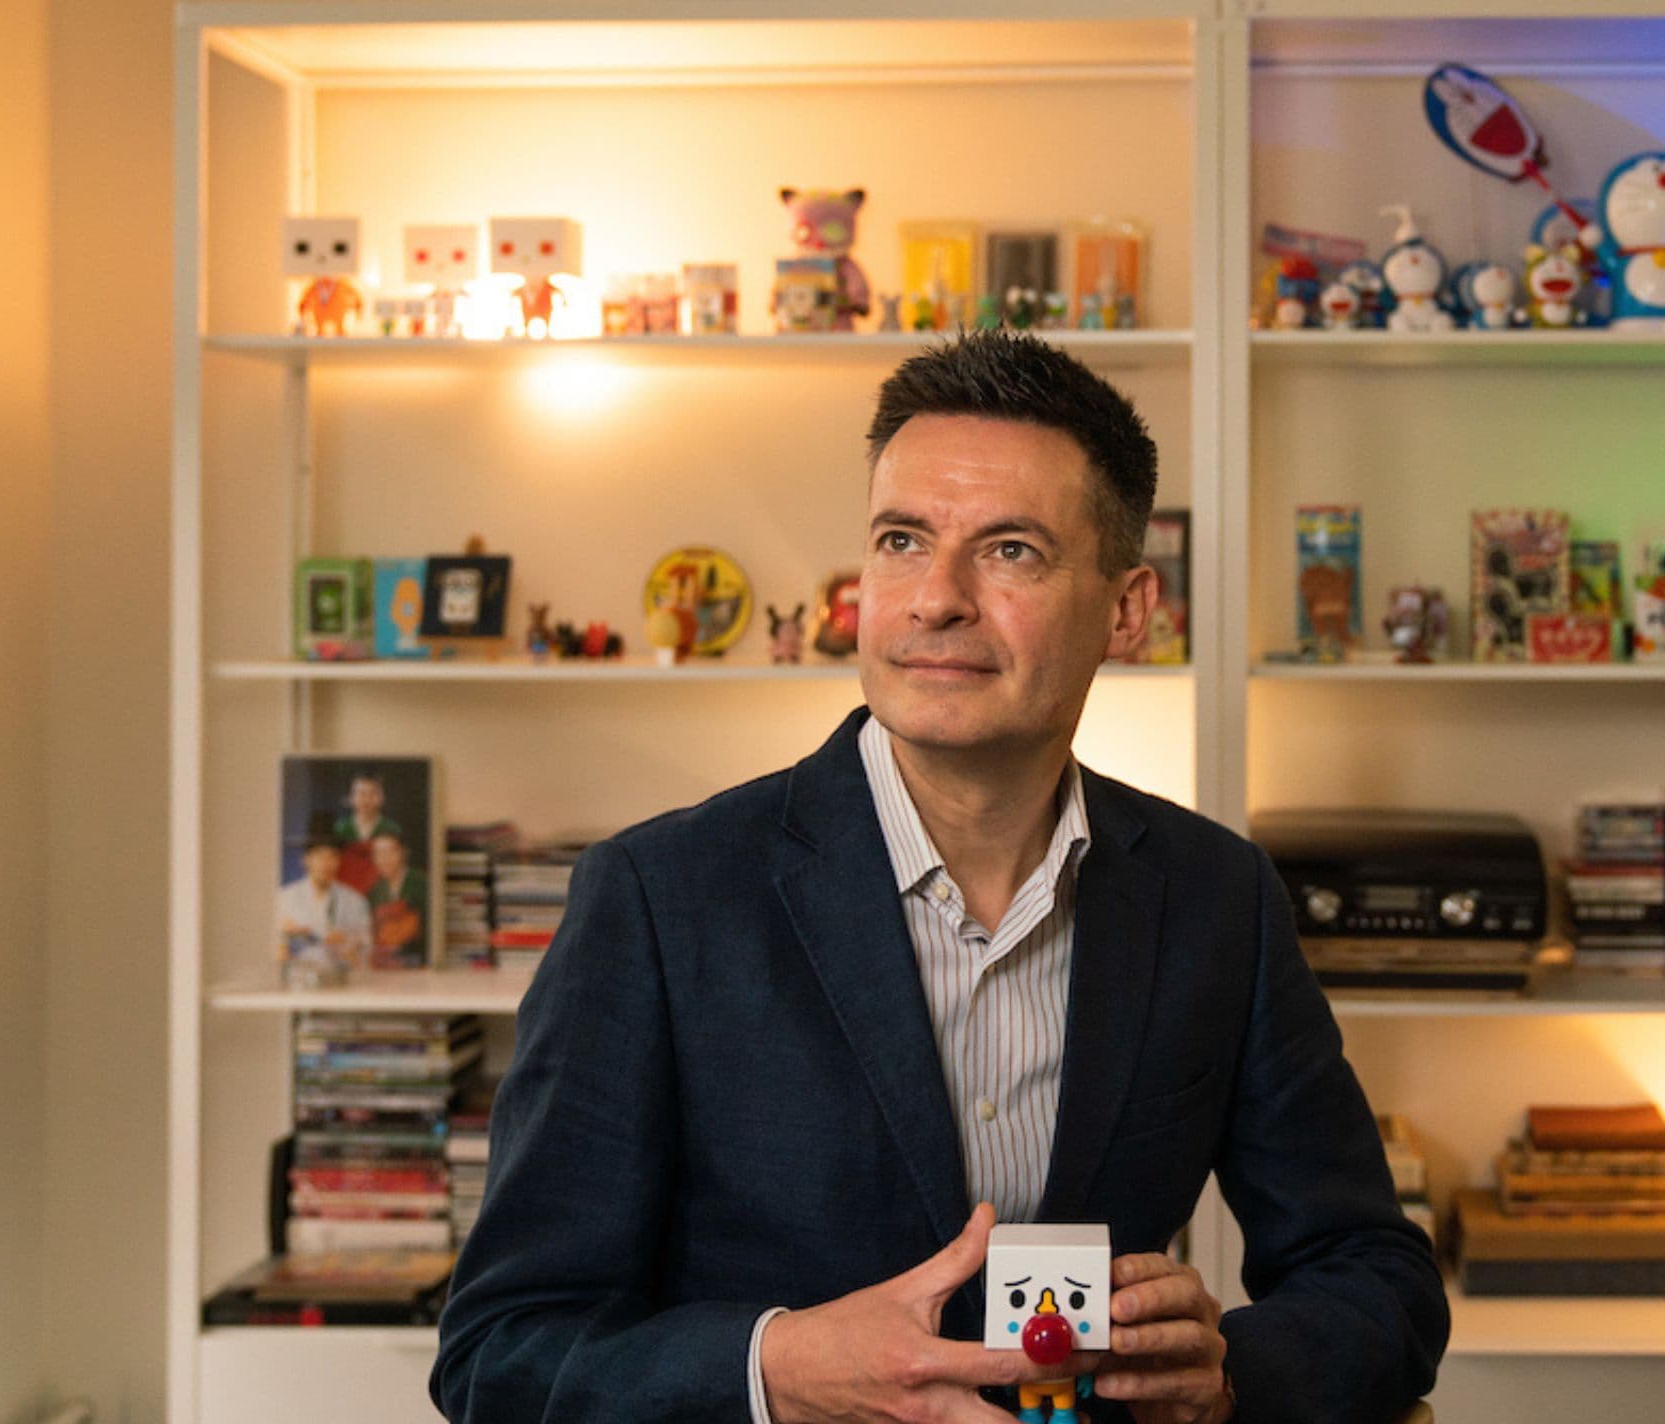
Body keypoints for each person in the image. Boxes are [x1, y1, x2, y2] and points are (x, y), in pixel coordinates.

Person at [434, 331, 1446, 1424]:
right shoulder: (656, 898)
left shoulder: (1216, 897)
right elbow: (502, 1348)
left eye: (1010, 550)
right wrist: (782, 1367)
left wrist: (1230, 1371)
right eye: (902, 540)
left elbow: (1374, 1277)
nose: (936, 598)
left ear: (1126, 608)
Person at [276, 822, 371, 972]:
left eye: (332, 857)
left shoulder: (354, 901)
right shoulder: (284, 898)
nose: (326, 864)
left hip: (340, 982)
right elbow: (274, 948)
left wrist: (348, 946)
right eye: (320, 856)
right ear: (306, 860)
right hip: (297, 982)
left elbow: (366, 951)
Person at [333, 768, 407, 895]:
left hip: (381, 893)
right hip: (346, 891)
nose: (366, 799)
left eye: (373, 793)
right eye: (361, 793)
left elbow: (398, 871)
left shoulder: (392, 829)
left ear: (382, 797)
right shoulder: (339, 829)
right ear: (351, 798)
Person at [365, 829, 430, 969]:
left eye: (390, 852)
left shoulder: (423, 884)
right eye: (378, 854)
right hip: (386, 966)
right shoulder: (375, 892)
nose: (384, 859)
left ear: (403, 852)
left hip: (419, 963)